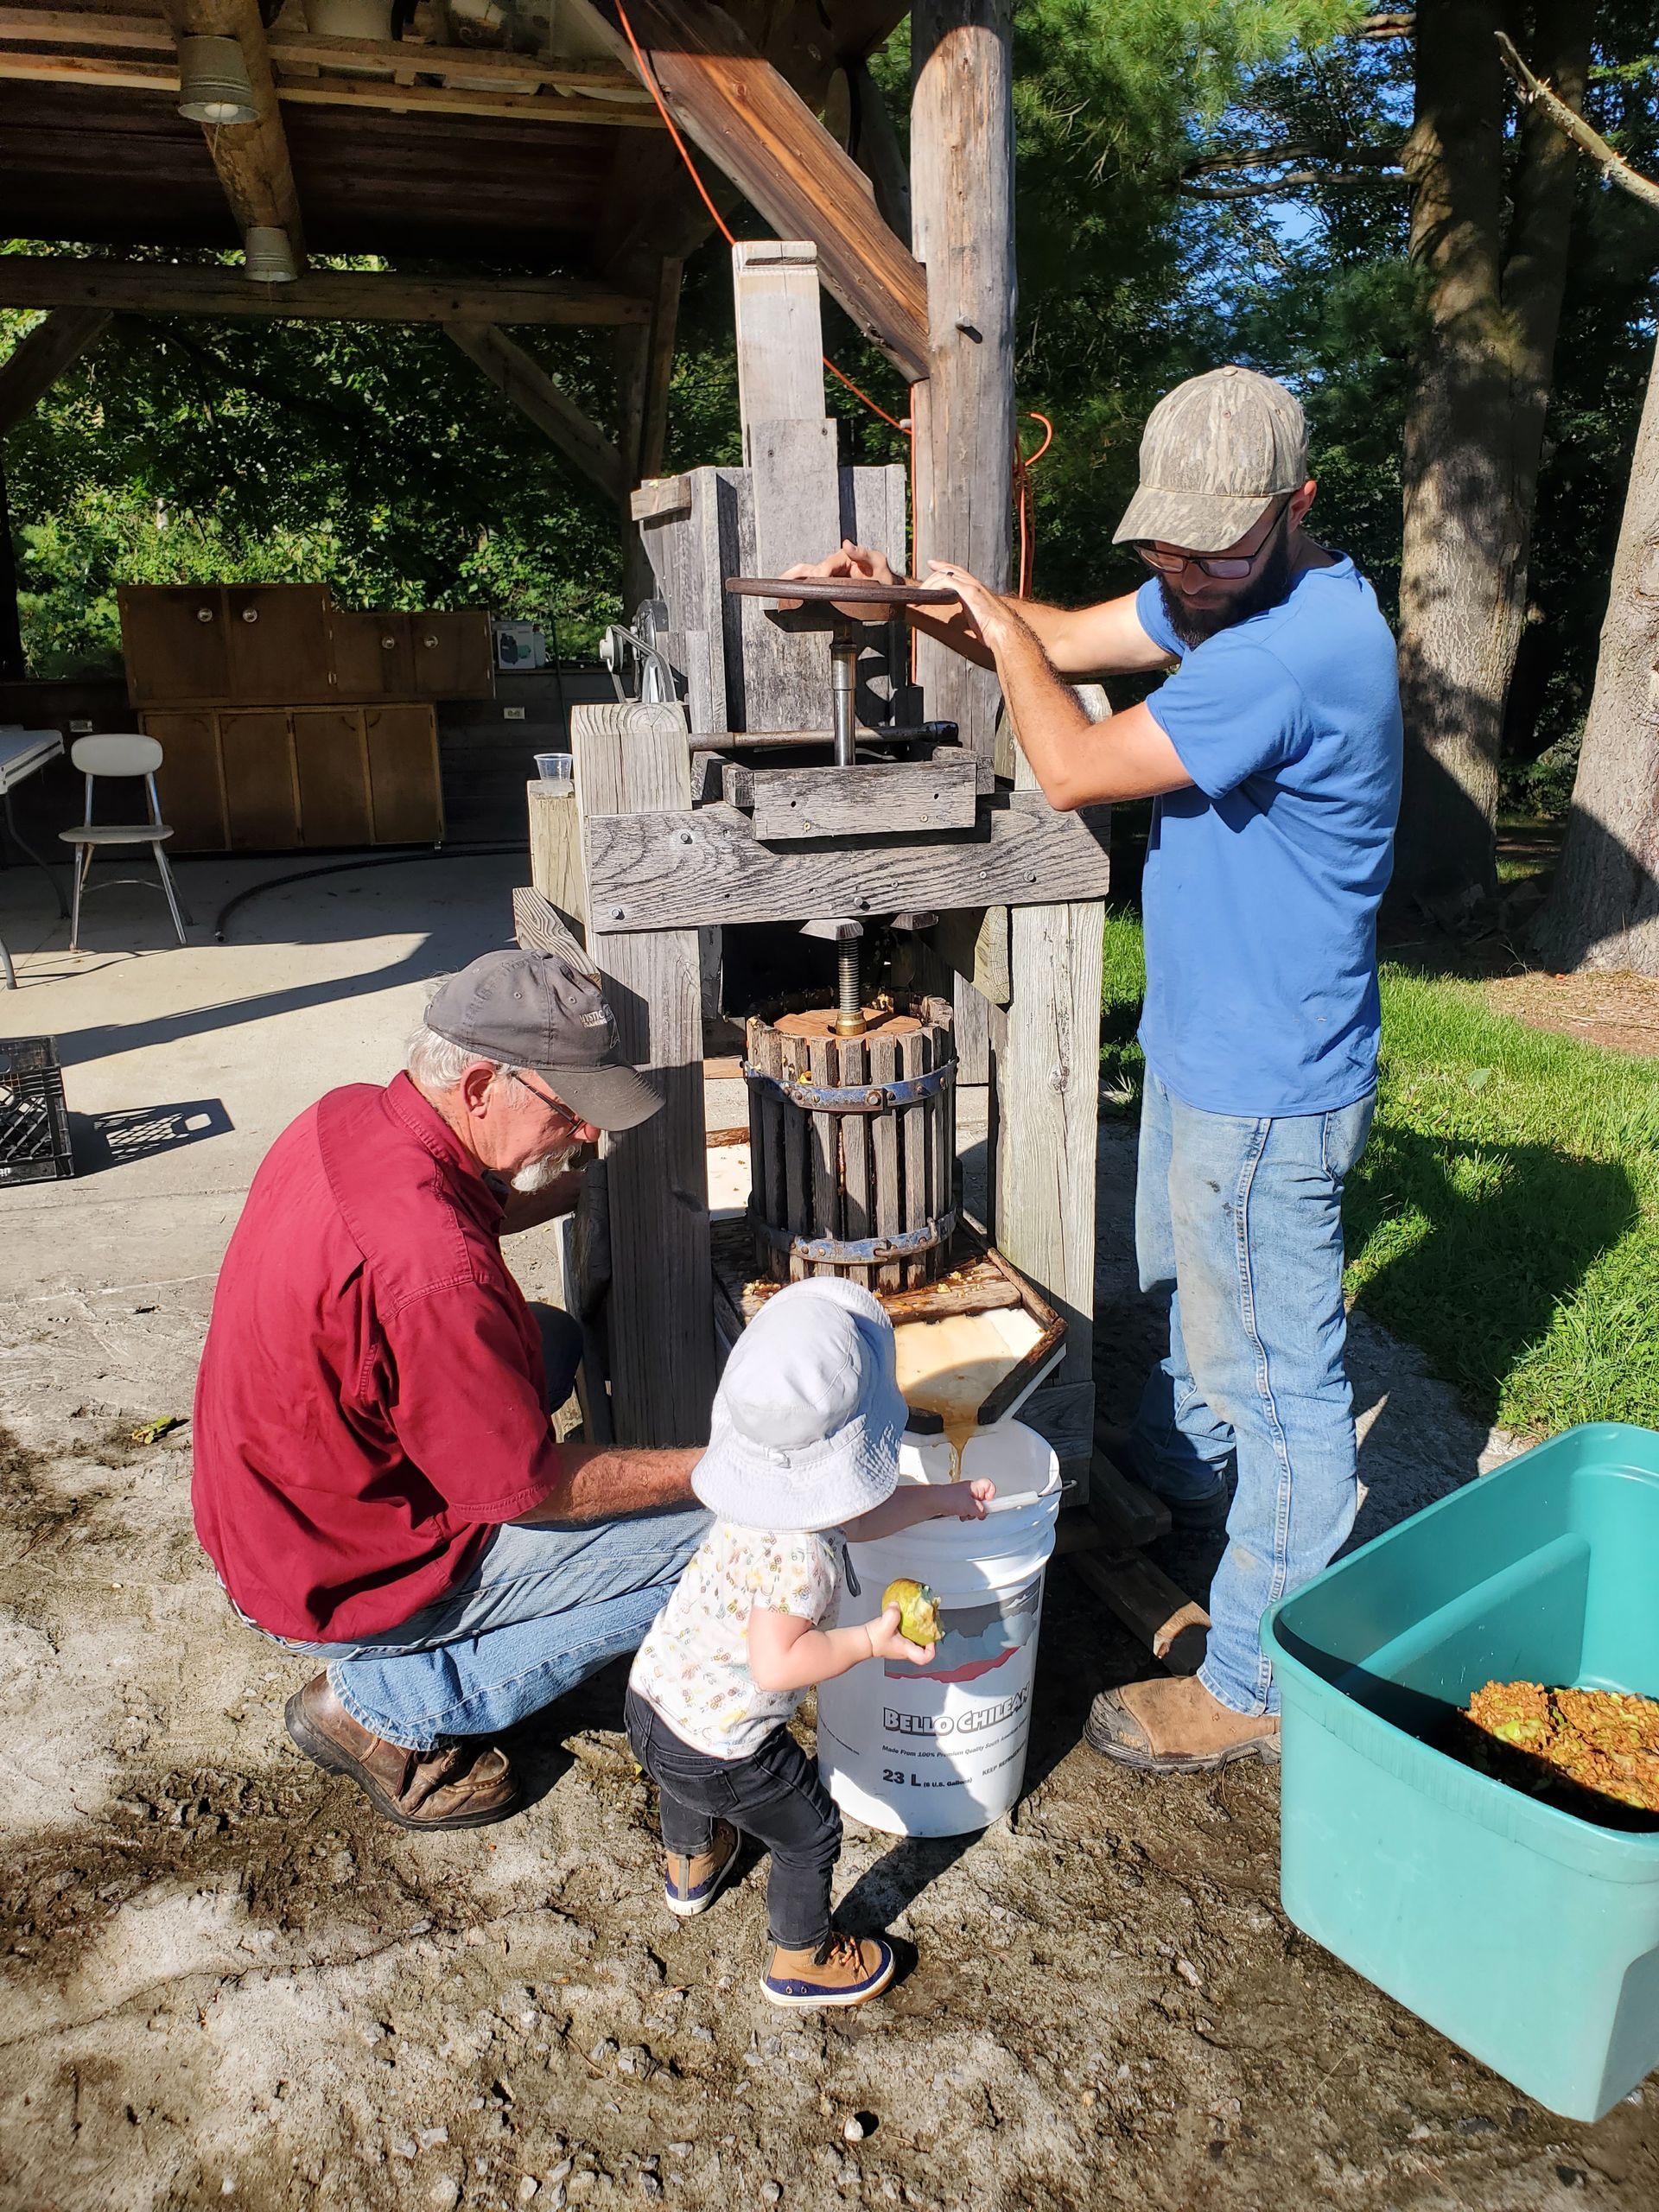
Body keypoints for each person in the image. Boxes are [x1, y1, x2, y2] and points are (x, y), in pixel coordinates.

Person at [789, 364, 1402, 1773]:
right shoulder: (1228, 590)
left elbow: (1064, 758)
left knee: (1286, 1384)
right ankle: (1176, 1487)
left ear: (1298, 509)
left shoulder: (1288, 651)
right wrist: (908, 602)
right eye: (1164, 547)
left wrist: (1001, 633)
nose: (1179, 574)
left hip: (1270, 1081)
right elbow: (1061, 633)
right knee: (1193, 1294)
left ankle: (1256, 1675)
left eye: (1211, 548)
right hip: (1217, 1042)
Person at [193, 948, 709, 1832]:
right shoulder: (437, 1273)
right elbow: (534, 1490)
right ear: (479, 1085)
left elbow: (451, 1205)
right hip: (338, 1574)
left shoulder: (349, 1116)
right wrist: (716, 1465)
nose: (589, 1132)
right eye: (572, 1111)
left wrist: (573, 1192)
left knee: (546, 1342)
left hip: (273, 1509)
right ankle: (391, 1705)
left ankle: (401, 1661)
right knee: (729, 1543)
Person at [625, 1278, 994, 2008]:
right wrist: (869, 1640)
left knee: (681, 1775)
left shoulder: (757, 1492)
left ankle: (691, 1868)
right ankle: (803, 1957)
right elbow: (777, 1662)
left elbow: (858, 1515)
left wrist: (944, 1500)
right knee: (811, 1832)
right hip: (724, 1747)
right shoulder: (801, 1560)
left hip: (651, 1700)